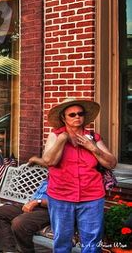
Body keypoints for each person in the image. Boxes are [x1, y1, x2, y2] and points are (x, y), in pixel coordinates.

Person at [42, 98, 117, 253]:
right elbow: (49, 161)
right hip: (61, 196)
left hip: (92, 196)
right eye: (72, 114)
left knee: (92, 241)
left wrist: (94, 148)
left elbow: (111, 163)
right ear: (63, 118)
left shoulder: (93, 137)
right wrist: (62, 139)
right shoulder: (56, 136)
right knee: (62, 240)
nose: (77, 117)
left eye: (80, 114)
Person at [0, 156, 50, 253]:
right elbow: (49, 161)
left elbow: (63, 202)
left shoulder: (70, 175)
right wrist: (35, 159)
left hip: (50, 209)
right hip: (32, 204)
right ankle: (8, 250)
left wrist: (37, 202)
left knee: (19, 223)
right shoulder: (54, 166)